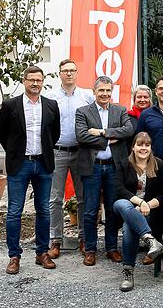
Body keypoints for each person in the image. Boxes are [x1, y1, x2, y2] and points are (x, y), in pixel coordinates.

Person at [0, 65, 60, 274]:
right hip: (19, 164)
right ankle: (14, 256)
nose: (35, 83)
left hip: (43, 163)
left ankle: (42, 252)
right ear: (24, 81)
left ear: (43, 82)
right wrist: (15, 153)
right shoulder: (10, 105)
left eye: (38, 80)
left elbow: (55, 134)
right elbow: (2, 135)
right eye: (31, 80)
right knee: (15, 211)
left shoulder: (51, 105)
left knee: (44, 209)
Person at [75, 76, 134, 266]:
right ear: (94, 92)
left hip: (113, 167)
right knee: (91, 210)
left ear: (112, 92)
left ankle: (111, 248)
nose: (105, 94)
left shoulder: (120, 110)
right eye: (101, 90)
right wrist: (110, 138)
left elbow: (128, 130)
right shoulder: (83, 111)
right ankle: (90, 249)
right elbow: (82, 136)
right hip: (92, 167)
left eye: (108, 91)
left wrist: (102, 132)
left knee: (112, 209)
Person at [45, 59, 94, 259]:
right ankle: (55, 240)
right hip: (57, 152)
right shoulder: (50, 97)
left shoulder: (87, 96)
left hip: (81, 151)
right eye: (65, 70)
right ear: (59, 74)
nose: (69, 74)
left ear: (77, 73)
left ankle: (83, 238)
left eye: (73, 70)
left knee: (83, 197)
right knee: (55, 198)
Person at [112, 132, 163, 291]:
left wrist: (146, 206)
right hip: (124, 208)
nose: (143, 148)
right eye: (140, 144)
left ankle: (128, 272)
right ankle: (151, 241)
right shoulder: (123, 164)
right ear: (133, 147)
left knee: (130, 227)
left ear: (150, 147)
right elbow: (119, 190)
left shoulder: (160, 165)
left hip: (150, 212)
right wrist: (140, 202)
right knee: (122, 203)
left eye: (147, 145)